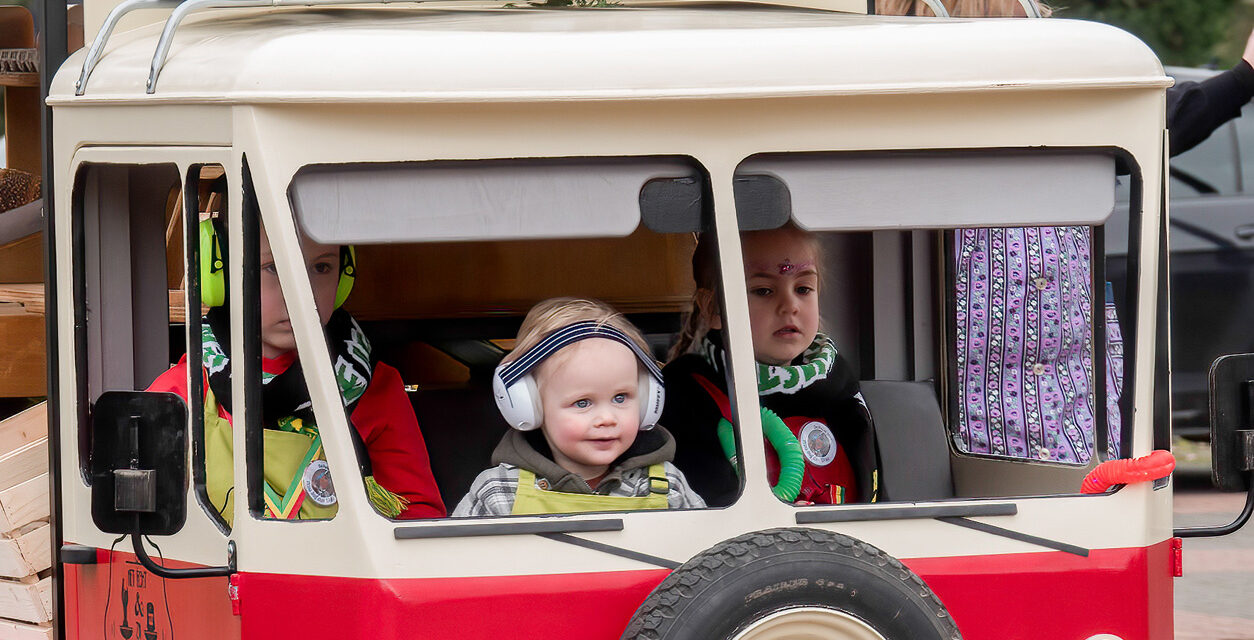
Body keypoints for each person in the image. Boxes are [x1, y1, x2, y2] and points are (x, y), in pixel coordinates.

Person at [880, 0, 1254, 465]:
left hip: (1073, 427)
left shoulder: (1070, 128)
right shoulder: (912, 142)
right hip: (968, 437)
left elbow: (1159, 122)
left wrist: (1242, 78)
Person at [149, 213, 445, 523]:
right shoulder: (180, 393)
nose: (301, 291)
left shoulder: (377, 386)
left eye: (321, 267)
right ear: (220, 278)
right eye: (273, 267)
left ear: (343, 278)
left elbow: (419, 519)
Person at [662, 226, 880, 508]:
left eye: (803, 289)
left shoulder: (840, 386)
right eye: (763, 290)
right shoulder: (685, 395)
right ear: (713, 308)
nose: (790, 305)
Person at [453, 298, 705, 516]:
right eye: (582, 403)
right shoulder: (498, 492)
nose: (607, 418)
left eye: (620, 397)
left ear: (649, 399)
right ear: (528, 407)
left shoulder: (667, 485)